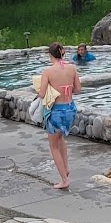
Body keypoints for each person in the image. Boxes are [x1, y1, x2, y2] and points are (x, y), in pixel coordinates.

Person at [37, 42, 81, 190]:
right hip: (70, 109)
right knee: (61, 138)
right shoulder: (72, 68)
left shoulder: (48, 72)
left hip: (56, 112)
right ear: (62, 53)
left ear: (50, 55)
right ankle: (66, 168)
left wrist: (42, 90)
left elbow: (42, 94)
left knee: (53, 146)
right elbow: (78, 89)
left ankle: (64, 179)